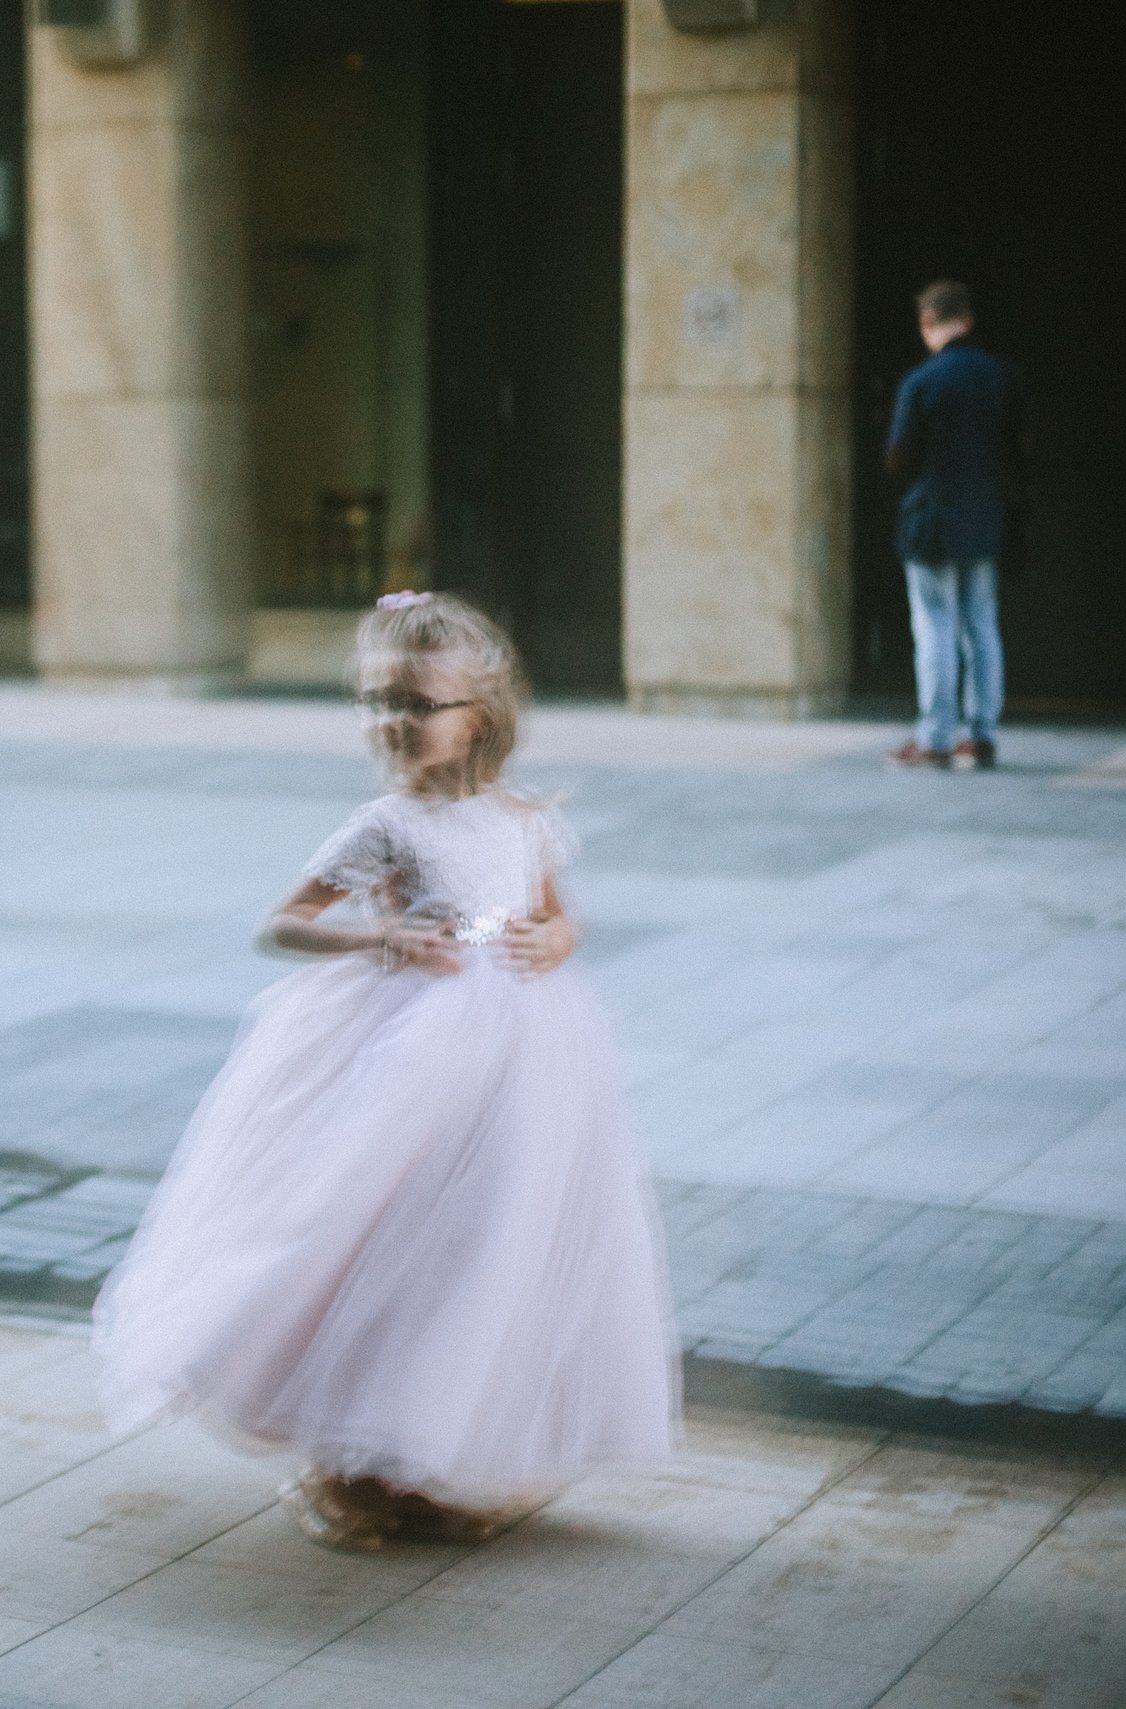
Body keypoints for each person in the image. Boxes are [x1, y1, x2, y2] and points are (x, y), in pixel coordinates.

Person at [93, 590, 676, 1552]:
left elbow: (557, 912)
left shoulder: (523, 818)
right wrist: (379, 935)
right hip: (405, 1046)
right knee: (370, 1231)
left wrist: (555, 938)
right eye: (376, 702)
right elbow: (279, 923)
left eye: (417, 702)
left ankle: (423, 1452)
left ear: (477, 715)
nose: (393, 723)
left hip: (524, 1051)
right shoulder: (382, 824)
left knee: (476, 1240)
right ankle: (344, 1465)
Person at [884, 279, 1027, 771]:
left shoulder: (921, 382)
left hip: (932, 522)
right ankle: (983, 734)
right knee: (982, 624)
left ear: (927, 324)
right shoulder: (1004, 378)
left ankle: (936, 738)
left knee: (935, 626)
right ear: (967, 320)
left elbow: (900, 456)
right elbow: (1019, 449)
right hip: (986, 518)